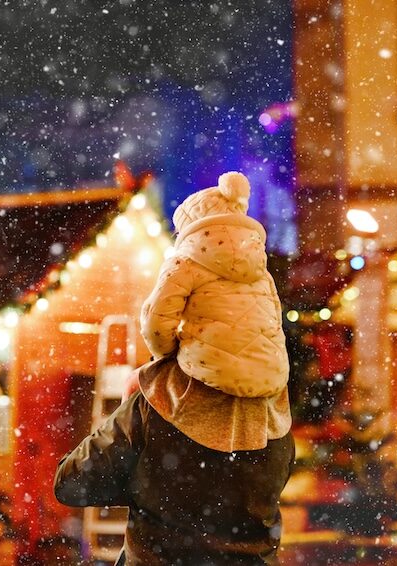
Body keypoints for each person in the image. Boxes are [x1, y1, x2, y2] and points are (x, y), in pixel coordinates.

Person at [56, 172, 294, 564]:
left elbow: (73, 483)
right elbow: (268, 487)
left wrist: (142, 471)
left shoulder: (158, 401)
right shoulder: (273, 419)